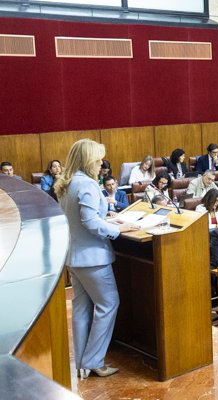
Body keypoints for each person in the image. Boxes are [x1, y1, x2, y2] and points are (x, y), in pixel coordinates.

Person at [54, 139, 138, 379]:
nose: (102, 164)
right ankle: (94, 361)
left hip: (74, 256)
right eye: (99, 159)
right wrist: (117, 230)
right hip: (93, 258)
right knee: (108, 303)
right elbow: (90, 222)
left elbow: (80, 220)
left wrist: (108, 219)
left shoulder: (67, 183)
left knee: (81, 308)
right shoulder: (88, 185)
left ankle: (82, 361)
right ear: (88, 160)